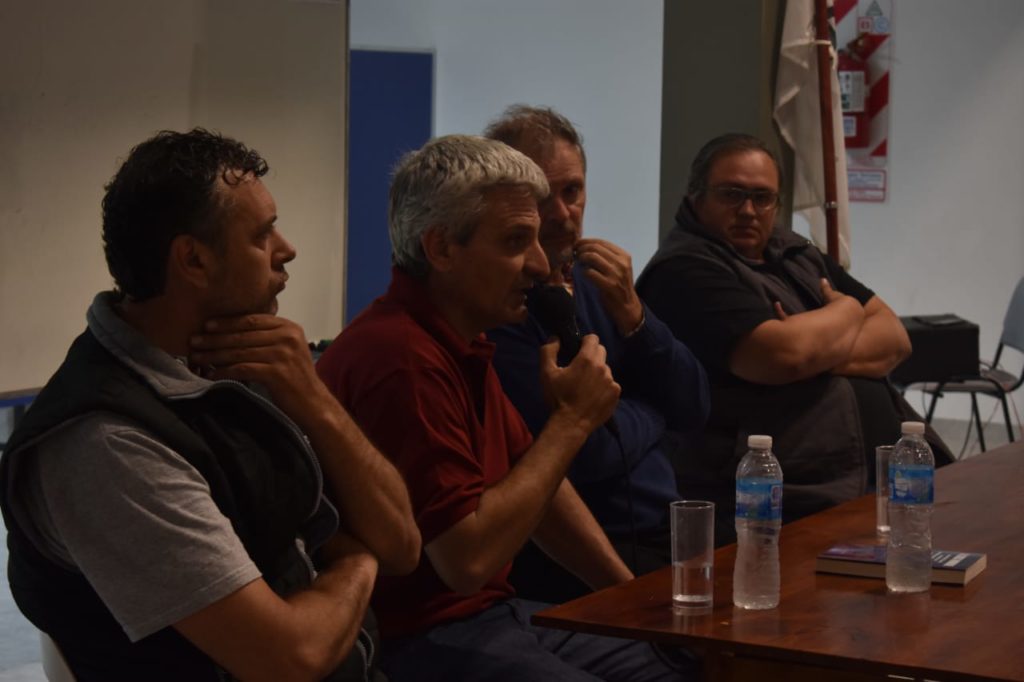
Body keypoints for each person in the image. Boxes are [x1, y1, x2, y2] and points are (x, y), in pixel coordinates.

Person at [0, 129, 420, 681]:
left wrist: (312, 395)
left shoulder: (239, 360)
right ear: (193, 260)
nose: (286, 249)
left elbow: (401, 544)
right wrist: (358, 561)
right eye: (263, 233)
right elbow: (289, 659)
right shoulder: (105, 443)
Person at [316, 135, 693, 681]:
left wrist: (630, 600)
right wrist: (572, 422)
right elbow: (466, 562)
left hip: (492, 615)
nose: (540, 265)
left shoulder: (459, 335)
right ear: (441, 249)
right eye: (516, 241)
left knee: (685, 661)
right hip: (419, 637)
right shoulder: (401, 356)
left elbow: (541, 486)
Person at [636, 132, 952, 545]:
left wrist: (814, 349)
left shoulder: (793, 251)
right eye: (731, 194)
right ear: (696, 197)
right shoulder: (684, 269)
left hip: (865, 476)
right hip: (773, 494)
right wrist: (846, 311)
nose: (748, 210)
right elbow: (781, 357)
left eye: (762, 198)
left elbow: (894, 339)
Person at [483, 105, 710, 601]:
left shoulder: (593, 278)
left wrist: (635, 316)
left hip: (662, 529)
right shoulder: (501, 308)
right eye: (543, 196)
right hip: (579, 556)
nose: (563, 214)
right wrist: (652, 414)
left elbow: (693, 406)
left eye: (572, 191)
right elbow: (588, 453)